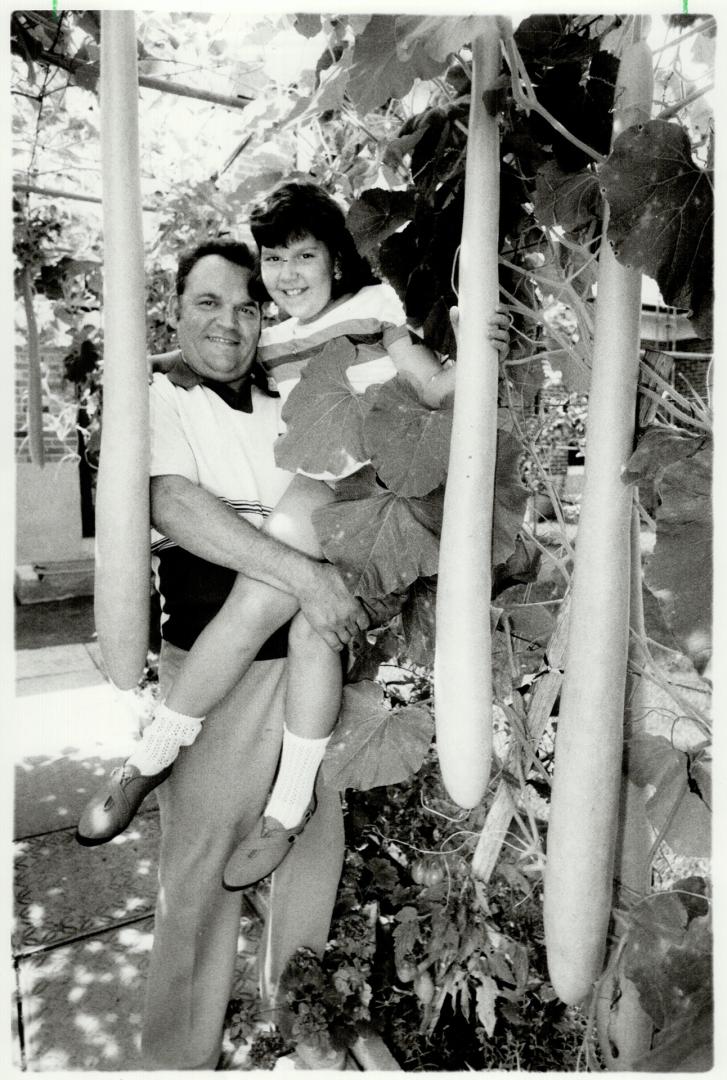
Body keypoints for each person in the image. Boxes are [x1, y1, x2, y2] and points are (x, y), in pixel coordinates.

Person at [77, 182, 511, 893]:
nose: (284, 276)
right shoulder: (269, 340)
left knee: (286, 617)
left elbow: (432, 390)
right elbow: (202, 365)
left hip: (375, 490)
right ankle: (210, 774)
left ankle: (241, 787)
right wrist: (146, 367)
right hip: (321, 483)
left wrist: (478, 351)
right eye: (272, 259)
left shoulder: (375, 311)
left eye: (301, 256)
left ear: (336, 259)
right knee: (284, 617)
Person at [103, 239, 361, 1068]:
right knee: (200, 881)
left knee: (308, 864)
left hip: (311, 671)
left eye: (247, 306)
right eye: (208, 302)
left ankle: (301, 1038)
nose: (229, 322)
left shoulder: (291, 396)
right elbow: (177, 507)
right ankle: (175, 1058)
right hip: (216, 674)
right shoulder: (156, 397)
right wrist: (306, 578)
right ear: (174, 307)